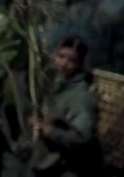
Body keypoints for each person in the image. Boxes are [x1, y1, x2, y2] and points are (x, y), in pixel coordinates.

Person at [29, 35, 100, 177]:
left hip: (69, 170)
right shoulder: (56, 87)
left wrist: (51, 132)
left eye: (71, 60)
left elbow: (83, 137)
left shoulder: (80, 96)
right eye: (61, 56)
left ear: (79, 65)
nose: (63, 63)